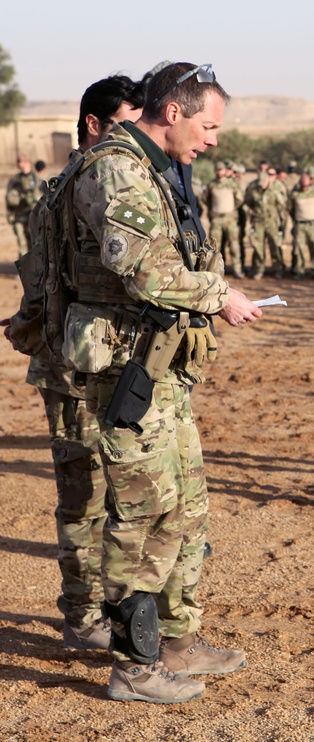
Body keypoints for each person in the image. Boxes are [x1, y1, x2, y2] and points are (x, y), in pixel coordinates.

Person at [65, 62, 261, 704]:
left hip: (161, 367)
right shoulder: (117, 166)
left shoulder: (155, 168)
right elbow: (142, 268)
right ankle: (135, 665)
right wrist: (220, 295)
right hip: (127, 368)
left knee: (185, 509)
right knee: (140, 518)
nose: (212, 140)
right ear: (173, 113)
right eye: (208, 125)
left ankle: (176, 637)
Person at [2, 74, 146, 655]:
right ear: (95, 125)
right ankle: (83, 613)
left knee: (119, 492)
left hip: (101, 360)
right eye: (127, 126)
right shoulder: (74, 189)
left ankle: (109, 611)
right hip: (68, 365)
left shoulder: (101, 182)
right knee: (82, 493)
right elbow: (40, 281)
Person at [243, 165, 287, 279]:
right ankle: (258, 270)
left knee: (275, 246)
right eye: (260, 182)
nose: (262, 185)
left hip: (272, 222)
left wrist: (276, 217)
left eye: (264, 182)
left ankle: (278, 269)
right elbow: (247, 202)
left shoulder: (276, 190)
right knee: (258, 247)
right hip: (258, 222)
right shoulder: (253, 188)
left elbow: (281, 205)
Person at [204, 161, 244, 277]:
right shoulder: (211, 185)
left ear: (225, 171)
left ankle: (238, 270)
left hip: (230, 220)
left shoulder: (232, 184)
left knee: (234, 246)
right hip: (216, 220)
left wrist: (231, 210)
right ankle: (217, 273)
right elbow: (206, 199)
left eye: (221, 169)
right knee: (215, 248)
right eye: (217, 170)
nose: (219, 172)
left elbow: (239, 199)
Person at [287, 166, 314, 278]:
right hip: (299, 225)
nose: (304, 185)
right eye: (302, 183)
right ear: (299, 183)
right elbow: (291, 209)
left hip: (312, 225)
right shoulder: (294, 195)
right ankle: (299, 271)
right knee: (298, 249)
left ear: (310, 182)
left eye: (306, 183)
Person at [6, 154, 44, 257]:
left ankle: (35, 268)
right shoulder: (15, 180)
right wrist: (9, 214)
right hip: (19, 216)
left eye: (20, 161)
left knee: (34, 241)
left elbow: (45, 196)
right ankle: (23, 270)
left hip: (33, 215)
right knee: (22, 243)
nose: (19, 164)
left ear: (26, 162)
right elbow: (9, 197)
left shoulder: (37, 178)